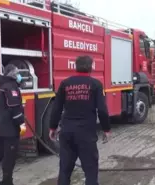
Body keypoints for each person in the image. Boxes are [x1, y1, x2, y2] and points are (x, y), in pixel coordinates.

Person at [49, 55, 111, 185]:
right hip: (86, 134)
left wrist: (52, 128)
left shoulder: (65, 84)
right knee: (90, 171)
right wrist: (106, 129)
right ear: (91, 67)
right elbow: (103, 110)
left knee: (65, 170)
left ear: (75, 66)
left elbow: (56, 108)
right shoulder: (96, 84)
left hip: (67, 133)